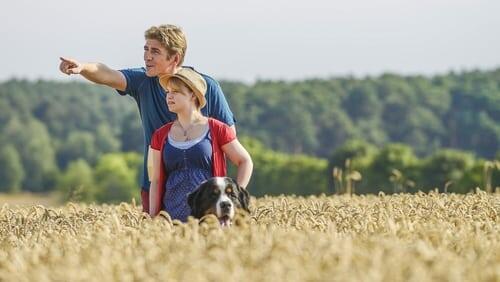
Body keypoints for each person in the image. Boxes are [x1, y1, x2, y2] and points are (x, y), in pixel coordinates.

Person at [59, 25, 235, 212]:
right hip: (155, 186)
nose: (147, 56)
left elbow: (230, 140)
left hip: (206, 190)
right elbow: (106, 74)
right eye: (146, 49)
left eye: (155, 51)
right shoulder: (143, 81)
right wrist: (82, 67)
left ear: (174, 58)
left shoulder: (208, 87)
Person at [148, 68, 252, 220]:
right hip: (171, 218)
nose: (169, 96)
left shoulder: (217, 129)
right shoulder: (160, 135)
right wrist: (152, 216)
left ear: (192, 94)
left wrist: (235, 196)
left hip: (210, 217)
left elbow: (245, 161)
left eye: (175, 91)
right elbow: (156, 180)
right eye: (168, 92)